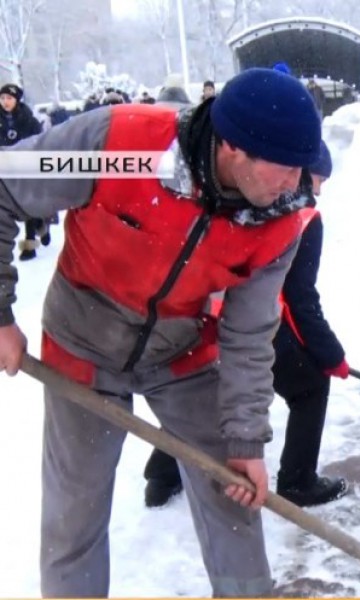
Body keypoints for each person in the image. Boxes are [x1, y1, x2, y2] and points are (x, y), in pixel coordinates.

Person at [0, 67, 322, 597]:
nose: (296, 185)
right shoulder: (119, 145)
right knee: (73, 519)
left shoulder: (279, 219)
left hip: (184, 351)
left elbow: (247, 335)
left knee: (233, 495)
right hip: (82, 344)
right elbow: (7, 182)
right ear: (234, 148)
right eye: (285, 169)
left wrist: (245, 439)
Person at [144, 142, 351, 509]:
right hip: (251, 323)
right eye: (318, 179)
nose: (318, 190)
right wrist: (329, 354)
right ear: (297, 174)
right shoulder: (303, 218)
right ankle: (298, 481)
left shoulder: (233, 195)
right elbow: (298, 300)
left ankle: (161, 477)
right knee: (310, 388)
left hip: (203, 315)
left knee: (201, 391)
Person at [0, 83, 46, 262]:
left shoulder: (29, 120)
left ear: (17, 100)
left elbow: (39, 141)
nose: (5, 102)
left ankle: (29, 243)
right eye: (2, 98)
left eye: (9, 98)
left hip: (25, 166)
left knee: (27, 204)